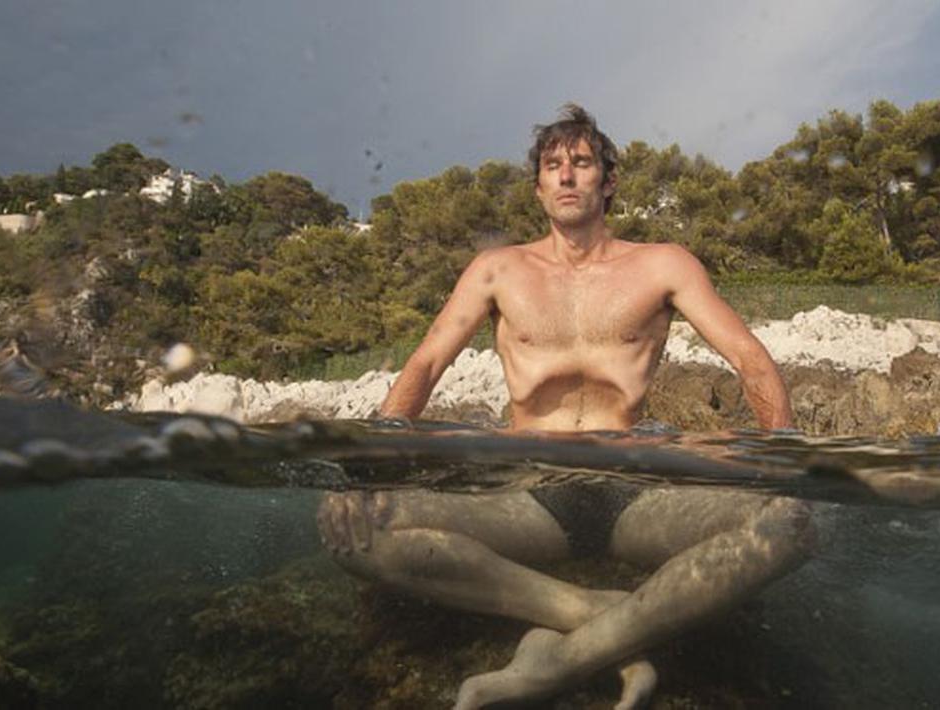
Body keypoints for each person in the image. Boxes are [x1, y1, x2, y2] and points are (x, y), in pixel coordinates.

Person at [318, 104, 813, 709]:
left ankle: (563, 660)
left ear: (608, 181)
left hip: (636, 490)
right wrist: (365, 472)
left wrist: (785, 461)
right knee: (351, 531)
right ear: (538, 187)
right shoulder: (497, 271)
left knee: (791, 525)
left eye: (582, 163)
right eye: (554, 166)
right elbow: (424, 365)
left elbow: (751, 360)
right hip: (523, 493)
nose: (568, 176)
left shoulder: (664, 264)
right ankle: (595, 613)